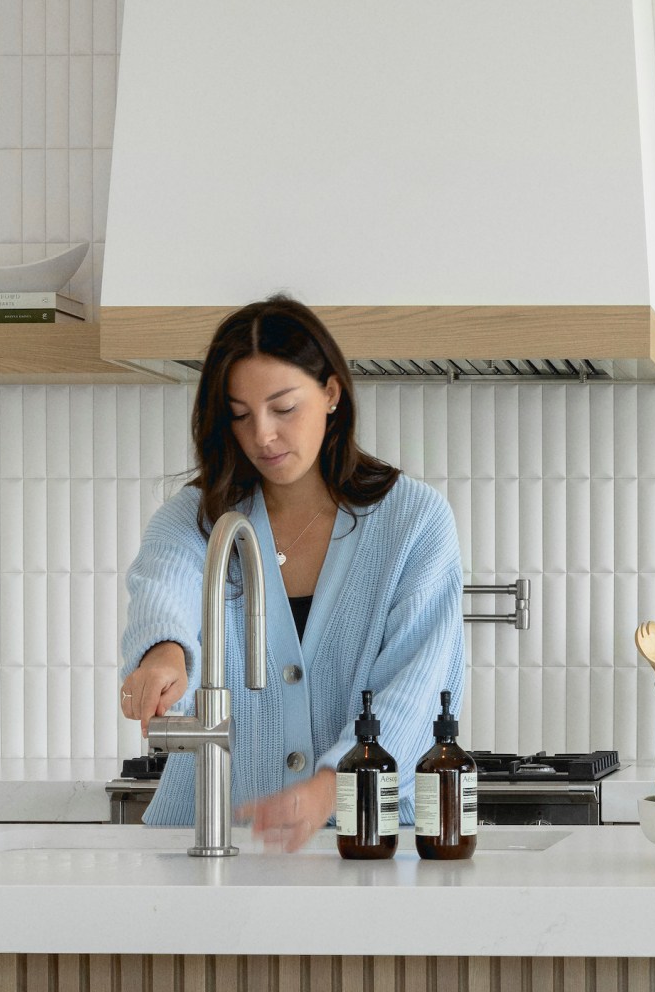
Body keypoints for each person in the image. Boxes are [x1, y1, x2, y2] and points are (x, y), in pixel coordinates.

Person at [117, 296, 465, 851]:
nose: (262, 436)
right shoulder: (196, 519)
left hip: (367, 844)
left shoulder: (414, 522)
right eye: (240, 414)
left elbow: (416, 689)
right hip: (203, 842)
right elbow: (165, 586)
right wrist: (164, 654)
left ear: (331, 393)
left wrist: (330, 790)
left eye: (283, 408)